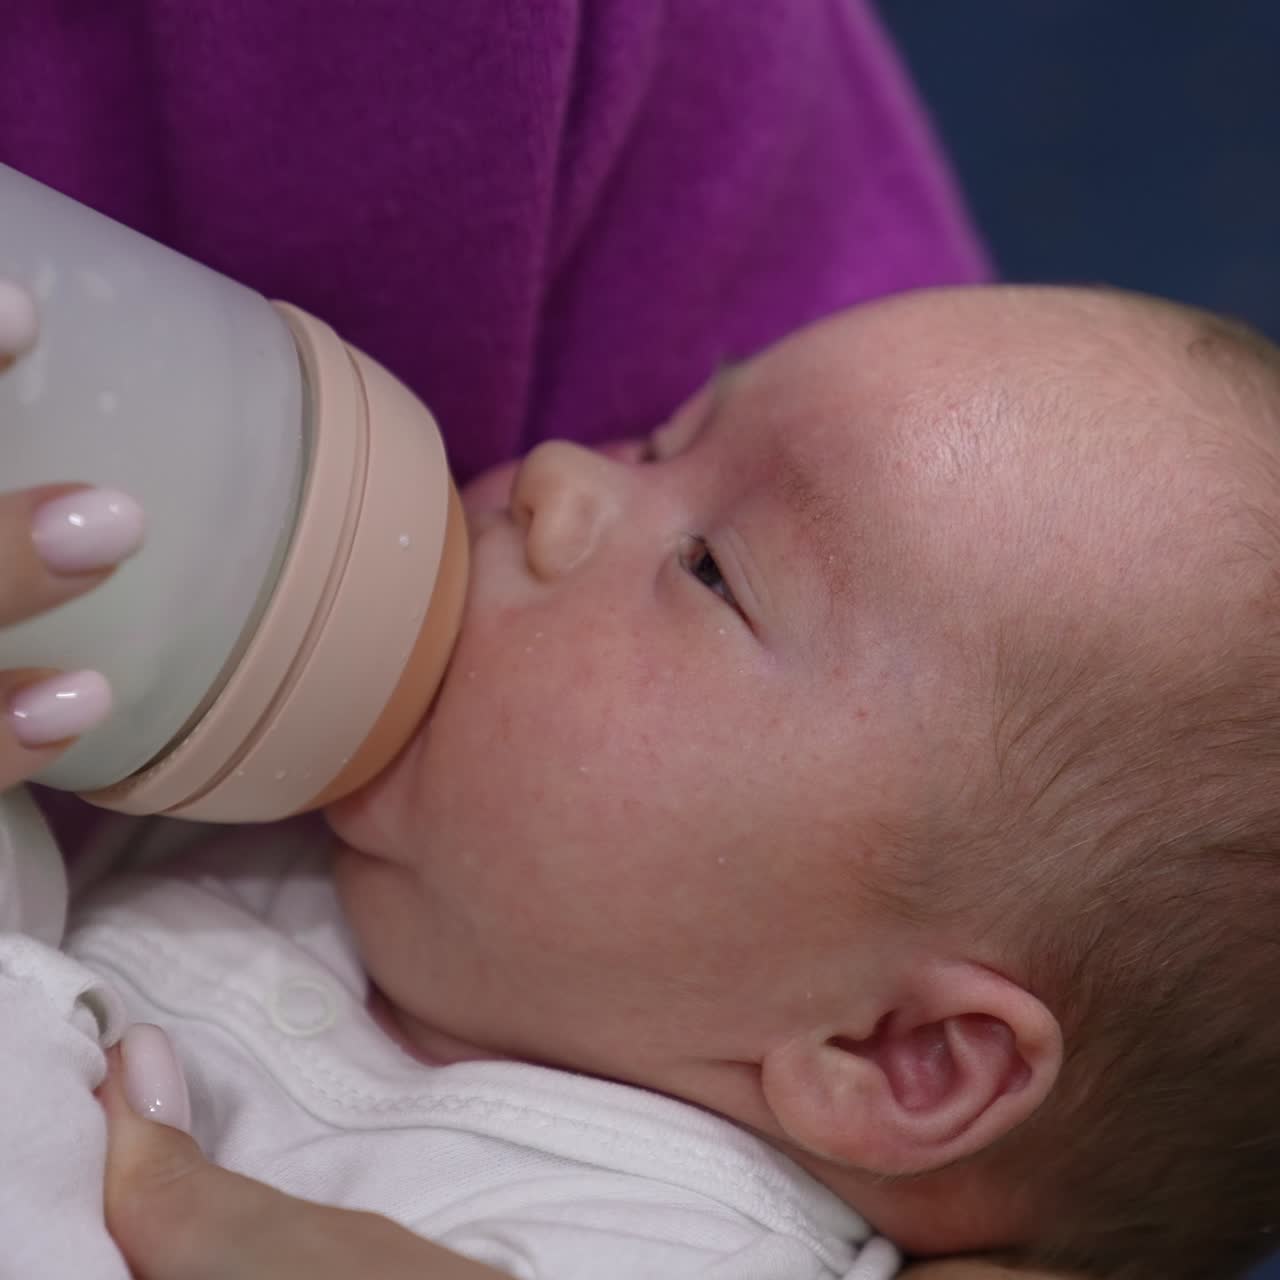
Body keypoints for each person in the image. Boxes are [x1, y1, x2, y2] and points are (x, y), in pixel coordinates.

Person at [4, 281, 1280, 1280]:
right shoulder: (292, 827)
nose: (559, 473)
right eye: (665, 433)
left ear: (897, 1053)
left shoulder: (656, 1243)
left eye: (714, 568)